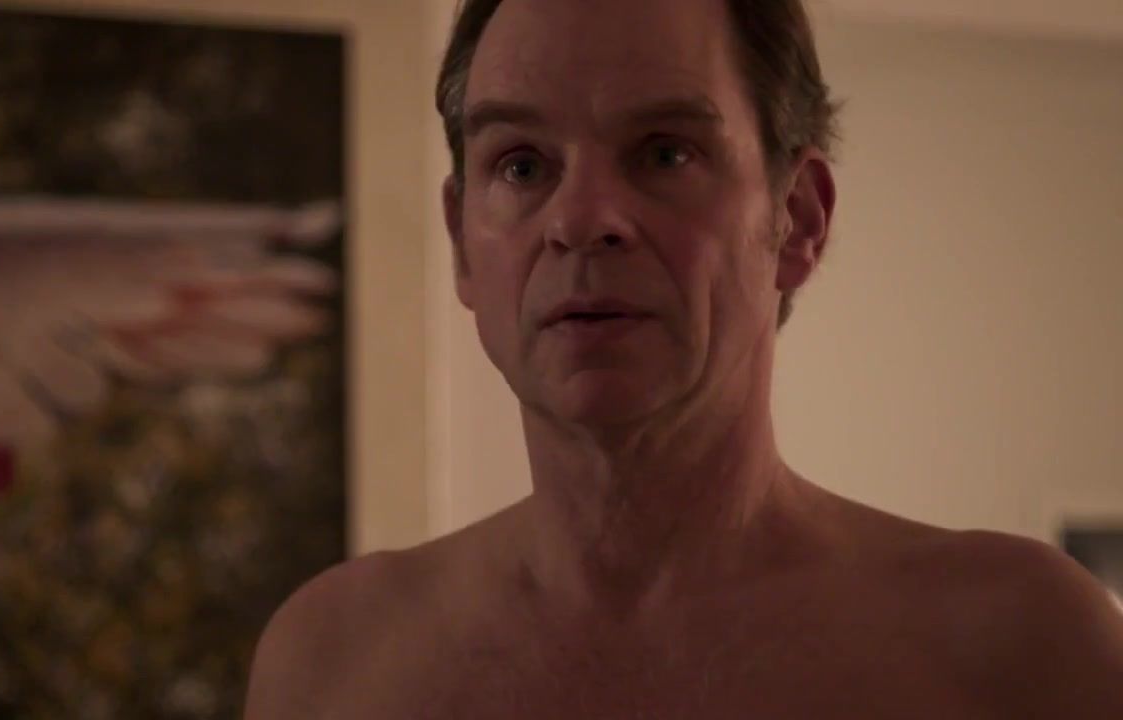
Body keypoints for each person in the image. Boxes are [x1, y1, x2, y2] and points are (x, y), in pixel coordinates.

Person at [244, 0, 1123, 716]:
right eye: (521, 166)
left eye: (664, 153)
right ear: (462, 243)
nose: (580, 219)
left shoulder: (1020, 650)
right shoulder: (333, 665)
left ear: (797, 221)